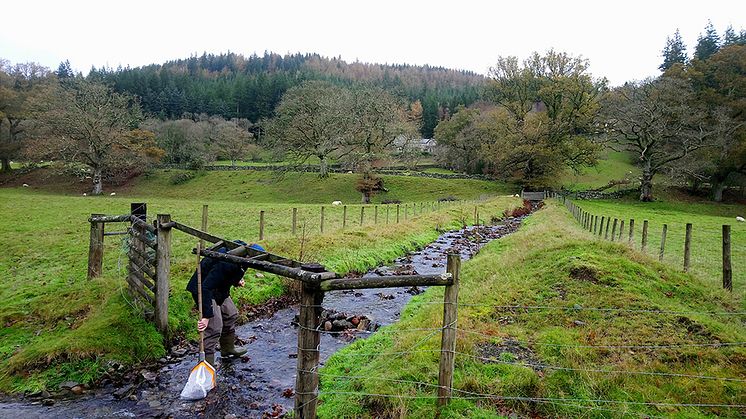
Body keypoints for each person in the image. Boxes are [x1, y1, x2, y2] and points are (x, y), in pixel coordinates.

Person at [186, 241, 264, 366]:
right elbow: (205, 287)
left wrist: (236, 281)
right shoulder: (227, 262)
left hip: (219, 288)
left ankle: (227, 349)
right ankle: (206, 365)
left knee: (230, 313)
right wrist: (206, 316)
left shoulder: (245, 257)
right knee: (214, 327)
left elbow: (236, 271)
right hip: (204, 290)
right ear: (247, 256)